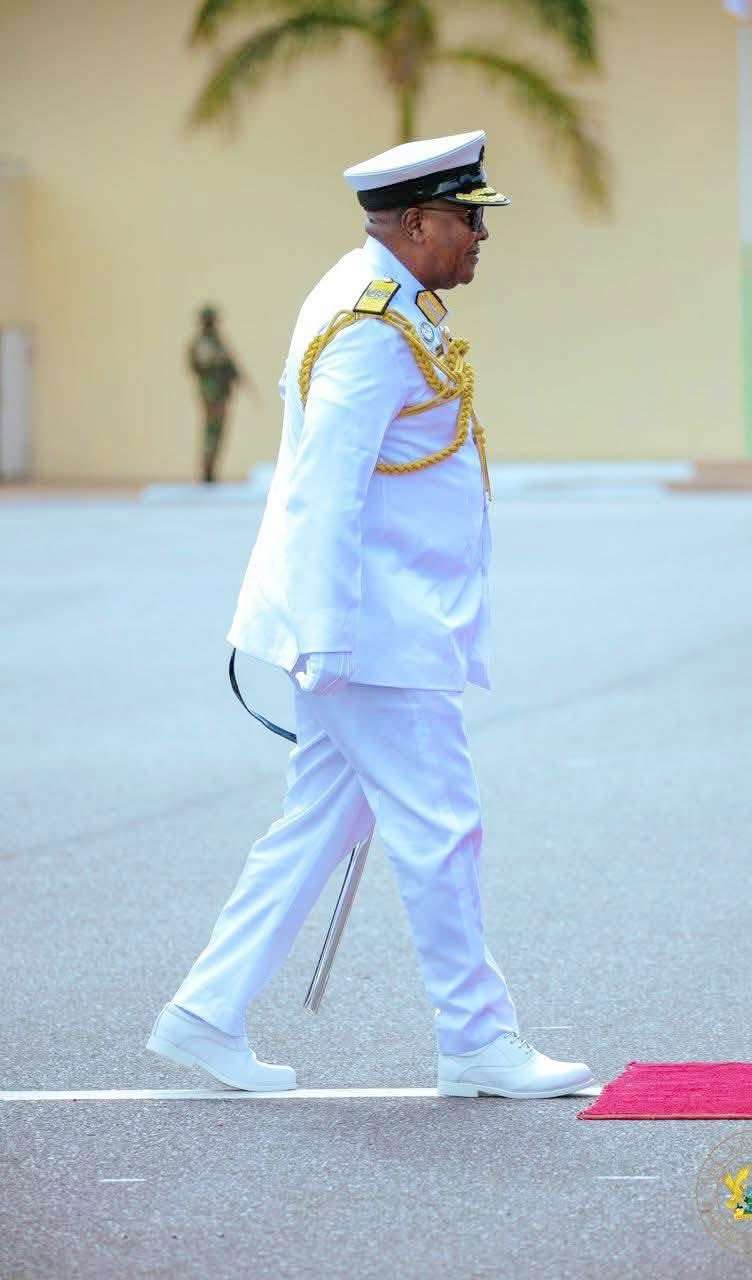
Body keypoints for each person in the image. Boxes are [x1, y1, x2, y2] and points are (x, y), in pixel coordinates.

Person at [148, 130, 596, 1099]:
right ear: (417, 222)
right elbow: (323, 492)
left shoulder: (379, 299)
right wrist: (325, 641)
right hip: (372, 636)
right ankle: (476, 1038)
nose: (481, 235)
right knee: (441, 826)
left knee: (320, 821)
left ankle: (206, 1011)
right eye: (467, 218)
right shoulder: (367, 327)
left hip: (377, 623)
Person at [187, 306, 243, 483]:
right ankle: (207, 471)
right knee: (211, 432)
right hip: (212, 394)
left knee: (217, 432)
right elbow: (202, 364)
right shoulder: (203, 343)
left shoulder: (217, 342)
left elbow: (230, 365)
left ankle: (211, 470)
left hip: (220, 393)